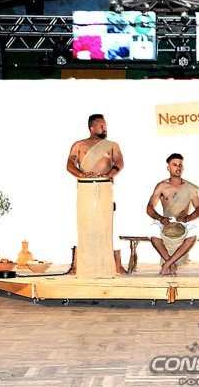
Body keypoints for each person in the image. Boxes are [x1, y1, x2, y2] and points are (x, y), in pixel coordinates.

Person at [66, 114, 127, 275]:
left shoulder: (112, 145)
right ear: (92, 128)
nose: (104, 128)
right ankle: (79, 266)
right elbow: (70, 164)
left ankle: (115, 265)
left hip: (105, 188)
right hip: (85, 189)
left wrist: (109, 174)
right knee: (84, 225)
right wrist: (82, 174)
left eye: (105, 126)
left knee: (109, 225)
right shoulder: (79, 145)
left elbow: (119, 162)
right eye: (101, 126)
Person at [146, 153, 199, 276]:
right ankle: (171, 263)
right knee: (152, 231)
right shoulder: (162, 186)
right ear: (168, 168)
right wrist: (161, 218)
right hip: (165, 219)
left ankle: (167, 264)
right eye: (175, 165)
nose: (178, 168)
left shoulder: (190, 187)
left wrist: (187, 218)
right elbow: (149, 208)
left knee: (194, 234)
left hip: (183, 220)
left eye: (180, 165)